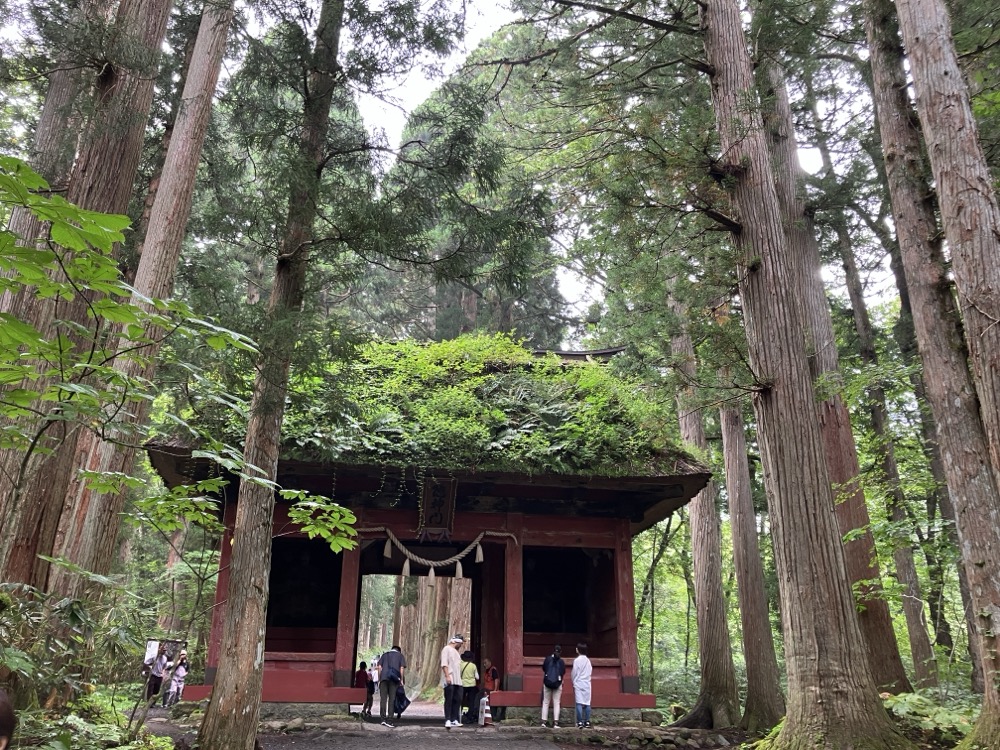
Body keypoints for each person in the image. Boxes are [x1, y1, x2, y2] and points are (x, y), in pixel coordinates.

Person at [376, 646, 406, 727]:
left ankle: (383, 719)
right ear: (398, 651)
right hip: (394, 679)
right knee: (392, 699)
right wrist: (401, 680)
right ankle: (390, 720)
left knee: (383, 699)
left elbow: (379, 667)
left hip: (383, 679)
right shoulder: (400, 656)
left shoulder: (385, 655)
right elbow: (402, 668)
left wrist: (379, 679)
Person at [440, 633, 465, 728]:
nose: (461, 645)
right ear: (456, 641)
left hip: (458, 680)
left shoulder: (456, 652)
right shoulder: (446, 649)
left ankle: (455, 719)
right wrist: (447, 676)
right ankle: (448, 719)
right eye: (461, 643)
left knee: (457, 699)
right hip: (450, 677)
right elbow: (444, 663)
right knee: (449, 700)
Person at [540, 644, 565, 728]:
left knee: (546, 701)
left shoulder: (547, 659)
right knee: (556, 702)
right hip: (558, 683)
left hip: (547, 682)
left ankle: (543, 722)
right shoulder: (561, 662)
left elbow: (544, 668)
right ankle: (556, 722)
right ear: (561, 652)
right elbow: (563, 672)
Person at [572, 642, 593, 728]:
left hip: (579, 682)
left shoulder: (576, 661)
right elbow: (590, 671)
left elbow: (574, 672)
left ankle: (580, 722)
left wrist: (573, 681)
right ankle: (587, 721)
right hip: (587, 683)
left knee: (579, 703)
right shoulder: (588, 661)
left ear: (578, 650)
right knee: (587, 703)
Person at [459, 650, 479, 723]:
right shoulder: (473, 666)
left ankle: (458, 717)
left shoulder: (460, 665)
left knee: (461, 700)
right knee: (471, 702)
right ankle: (469, 718)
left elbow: (458, 675)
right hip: (472, 685)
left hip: (462, 684)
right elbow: (477, 677)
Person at [482, 657, 505, 721]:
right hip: (487, 690)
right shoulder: (487, 671)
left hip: (492, 690)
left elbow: (496, 680)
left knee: (493, 705)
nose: (484, 665)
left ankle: (494, 717)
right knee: (488, 704)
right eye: (483, 663)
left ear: (489, 662)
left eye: (485, 663)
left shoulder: (493, 670)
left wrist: (495, 690)